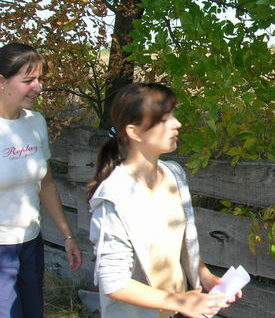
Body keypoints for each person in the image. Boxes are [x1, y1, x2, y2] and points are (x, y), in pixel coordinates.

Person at [87, 83, 236, 318]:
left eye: (173, 114)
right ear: (134, 132)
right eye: (164, 119)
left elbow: (183, 241)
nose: (177, 123)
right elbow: (114, 283)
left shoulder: (174, 173)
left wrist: (205, 276)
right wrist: (181, 302)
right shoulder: (113, 197)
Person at [0, 43, 83, 318]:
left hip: (31, 244)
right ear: (2, 81)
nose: (38, 87)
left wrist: (67, 235)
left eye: (40, 79)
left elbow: (45, 184)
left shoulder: (35, 122)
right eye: (28, 80)